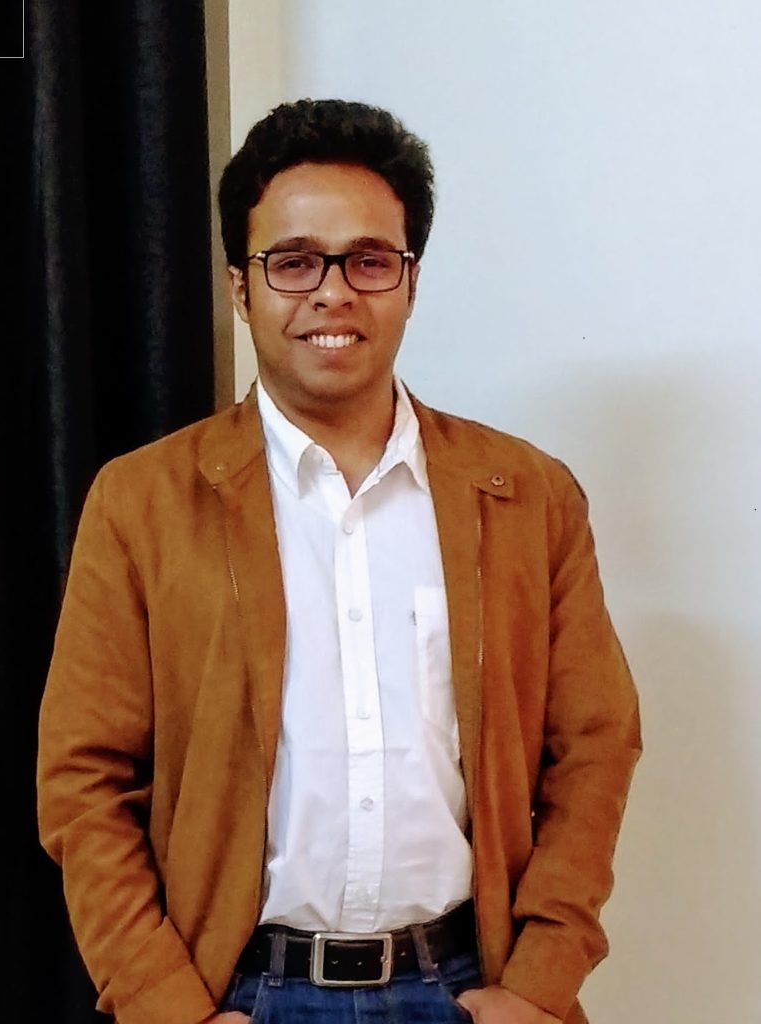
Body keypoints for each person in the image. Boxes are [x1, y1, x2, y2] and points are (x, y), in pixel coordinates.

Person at [37, 99, 641, 1024]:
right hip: (236, 993)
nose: (332, 293)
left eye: (368, 260)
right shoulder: (142, 503)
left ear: (409, 280)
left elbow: (595, 746)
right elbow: (84, 781)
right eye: (292, 262)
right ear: (239, 287)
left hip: (466, 988)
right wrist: (161, 1003)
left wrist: (540, 982)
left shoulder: (526, 496)